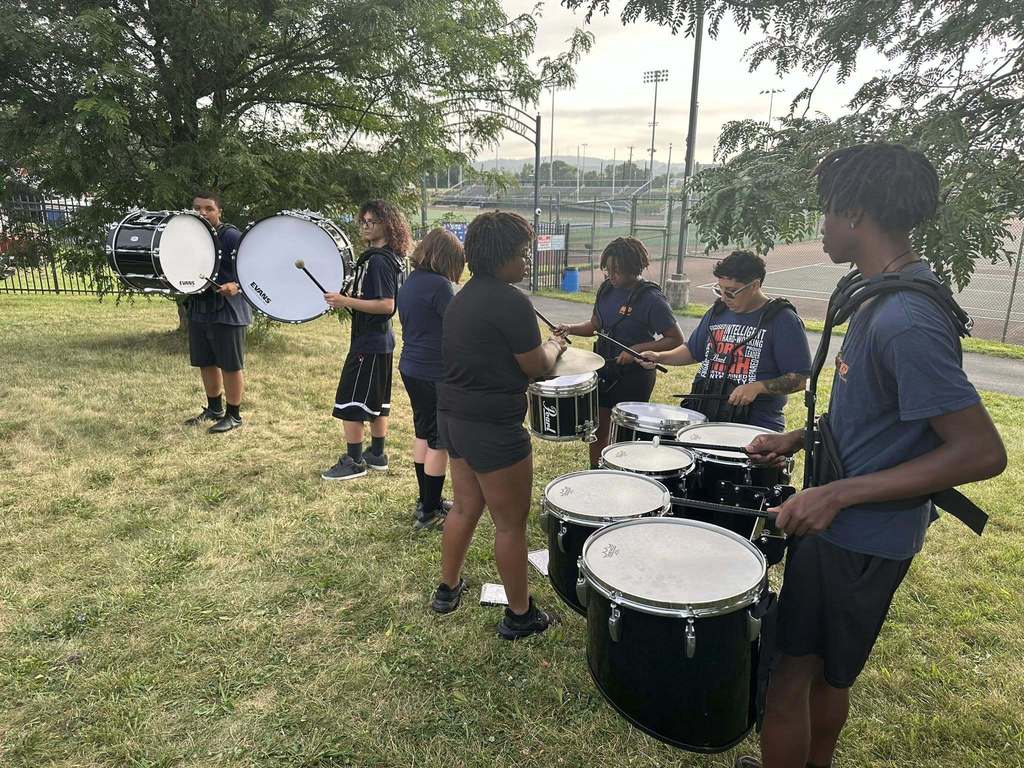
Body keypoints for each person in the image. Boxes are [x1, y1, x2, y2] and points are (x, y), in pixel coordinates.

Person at [733, 143, 1007, 768]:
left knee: (787, 679)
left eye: (827, 210)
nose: (821, 224)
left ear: (855, 213)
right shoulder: (877, 293)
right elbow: (876, 414)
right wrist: (800, 439)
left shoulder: (904, 317)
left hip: (855, 538)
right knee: (827, 675)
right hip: (852, 530)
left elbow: (980, 451)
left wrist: (835, 494)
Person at [430, 211, 567, 639]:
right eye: (522, 254)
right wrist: (556, 344)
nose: (527, 262)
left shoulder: (462, 297)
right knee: (510, 525)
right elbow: (538, 366)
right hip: (493, 426)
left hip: (454, 418)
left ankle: (447, 589)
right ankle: (521, 616)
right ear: (500, 256)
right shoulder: (510, 301)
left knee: (466, 506)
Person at [640, 250, 810, 432]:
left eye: (730, 292)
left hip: (754, 427)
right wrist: (659, 357)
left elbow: (801, 378)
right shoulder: (717, 312)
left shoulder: (782, 319)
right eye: (719, 290)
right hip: (705, 419)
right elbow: (693, 350)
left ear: (755, 285)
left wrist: (758, 387)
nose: (723, 298)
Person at [554, 237, 683, 468]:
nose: (610, 275)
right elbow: (595, 324)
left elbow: (675, 339)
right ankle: (597, 473)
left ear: (634, 268)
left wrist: (637, 350)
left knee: (625, 437)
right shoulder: (606, 289)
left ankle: (624, 476)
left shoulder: (651, 299)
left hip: (634, 377)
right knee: (598, 430)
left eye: (617, 270)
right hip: (605, 368)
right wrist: (570, 328)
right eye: (607, 269)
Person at [321, 200, 410, 481]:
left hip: (370, 343)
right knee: (377, 402)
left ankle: (355, 460)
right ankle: (377, 454)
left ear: (387, 224)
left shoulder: (379, 261)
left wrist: (344, 300)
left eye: (371, 222)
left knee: (351, 401)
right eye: (363, 222)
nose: (365, 226)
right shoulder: (386, 257)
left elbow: (386, 305)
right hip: (379, 341)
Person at [396, 228, 465, 530]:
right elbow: (457, 326)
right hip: (435, 372)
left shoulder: (411, 282)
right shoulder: (440, 286)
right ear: (448, 258)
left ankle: (428, 499)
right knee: (440, 441)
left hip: (411, 367)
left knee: (423, 433)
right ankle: (429, 514)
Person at [183, 191, 251, 433]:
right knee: (206, 361)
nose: (202, 213)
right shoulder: (190, 237)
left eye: (208, 208)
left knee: (230, 365)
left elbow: (254, 268)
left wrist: (237, 285)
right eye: (197, 208)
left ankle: (234, 415)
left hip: (229, 310)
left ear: (219, 211)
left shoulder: (232, 236)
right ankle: (214, 409)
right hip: (201, 306)